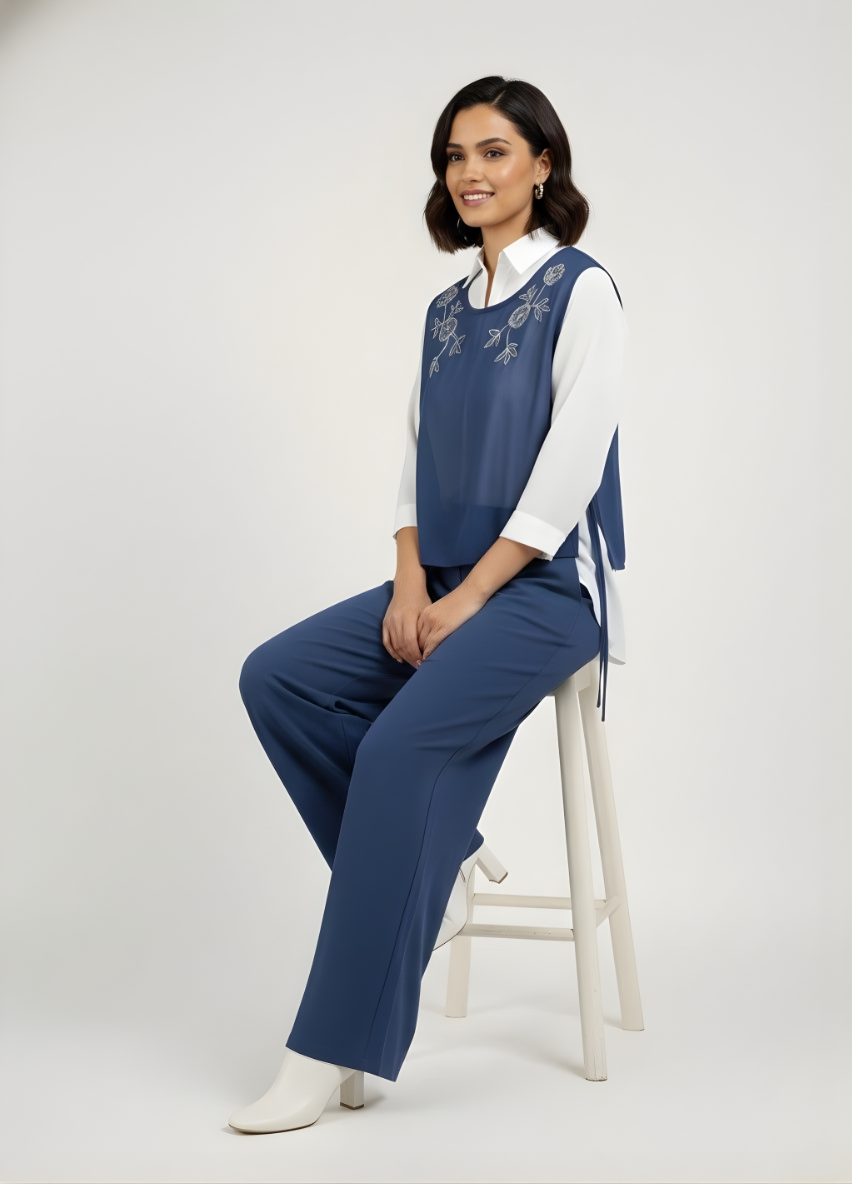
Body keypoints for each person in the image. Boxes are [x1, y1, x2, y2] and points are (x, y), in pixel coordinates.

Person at [229, 74, 627, 1134]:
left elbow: (567, 476)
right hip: (444, 578)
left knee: (399, 752)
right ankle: (439, 866)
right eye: (456, 156)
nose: (471, 174)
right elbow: (412, 463)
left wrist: (468, 599)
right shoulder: (445, 309)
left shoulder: (583, 290)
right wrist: (412, 583)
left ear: (543, 164)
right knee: (279, 676)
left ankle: (330, 1045)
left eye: (495, 152)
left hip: (544, 595)